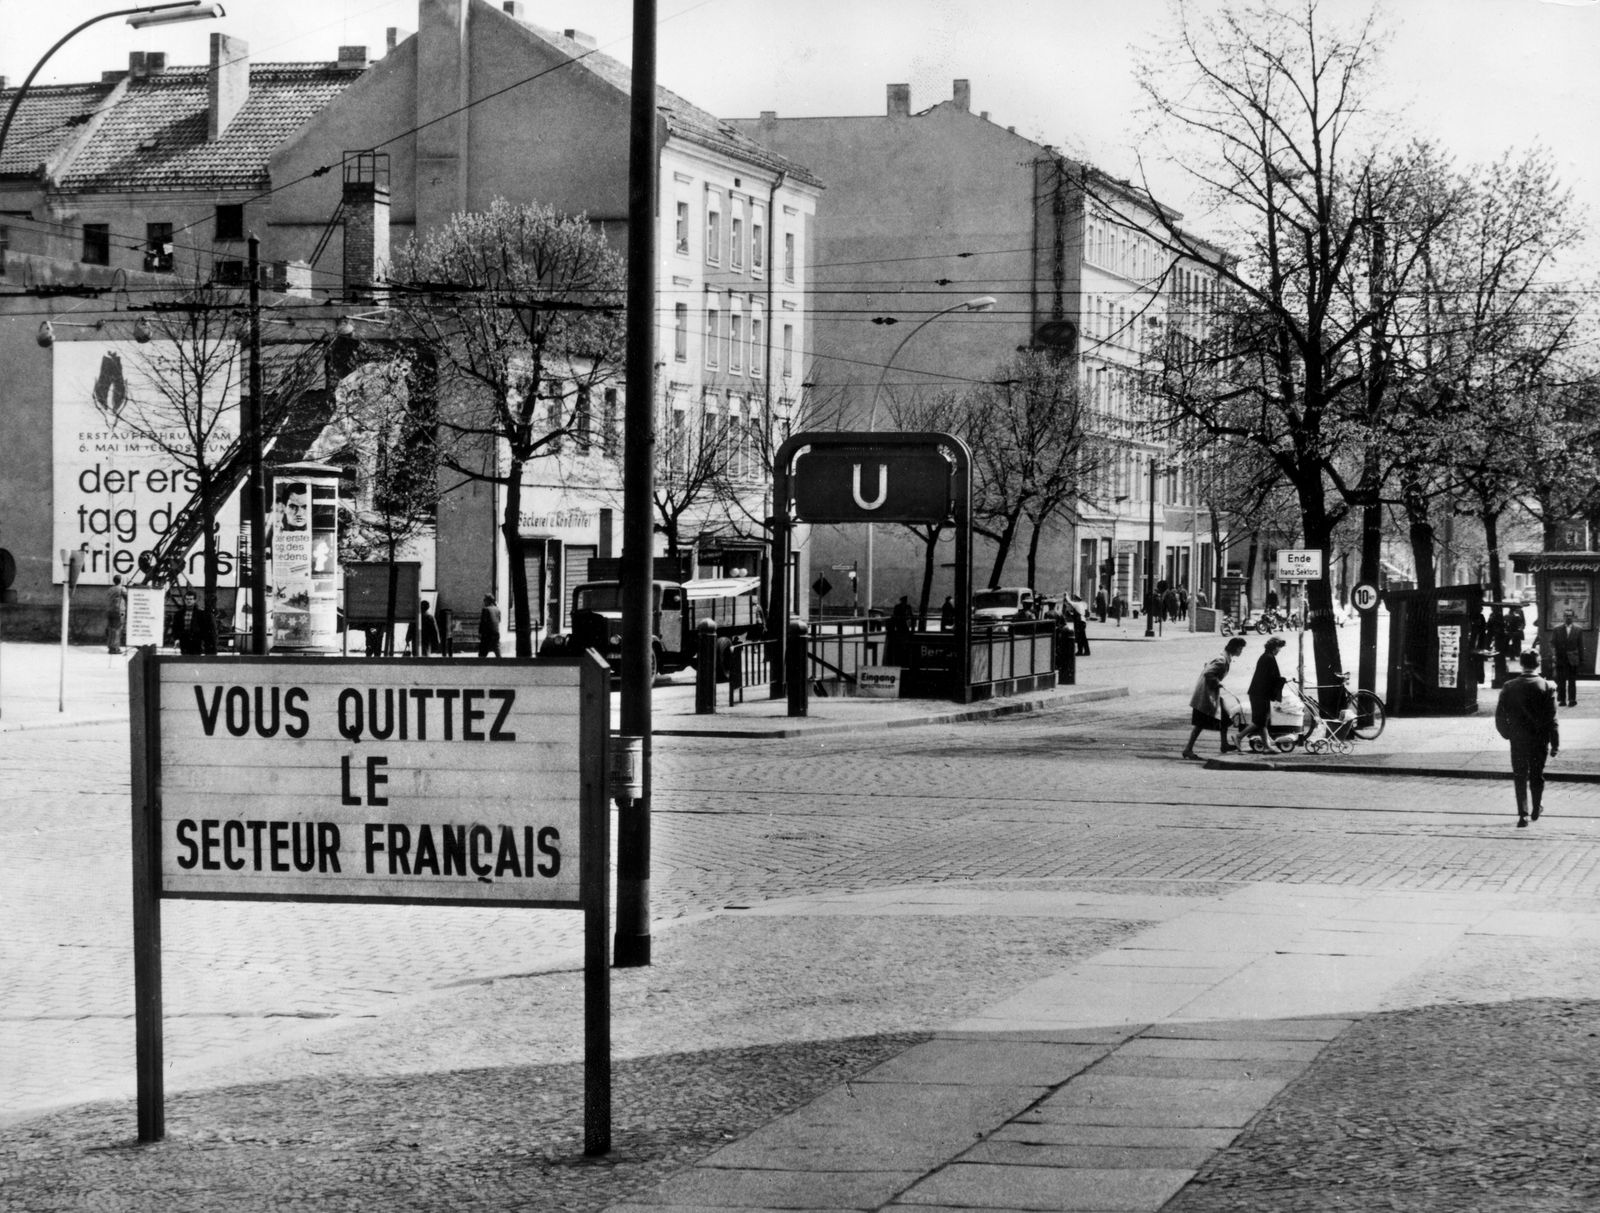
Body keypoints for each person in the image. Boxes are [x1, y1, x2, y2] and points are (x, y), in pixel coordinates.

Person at [1495, 649, 1559, 827]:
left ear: (1521, 664)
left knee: (1520, 775)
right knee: (1537, 775)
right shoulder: (1547, 686)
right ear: (1538, 664)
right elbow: (1552, 719)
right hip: (1540, 740)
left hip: (1518, 739)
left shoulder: (1509, 686)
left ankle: (1522, 814)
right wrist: (1555, 744)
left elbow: (1500, 716)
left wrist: (1507, 733)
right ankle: (1536, 807)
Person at [1183, 636, 1248, 759]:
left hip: (1211, 693)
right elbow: (1208, 673)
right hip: (1206, 695)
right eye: (1240, 648)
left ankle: (1224, 744)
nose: (1241, 651)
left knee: (1225, 718)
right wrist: (1217, 682)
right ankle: (1188, 749)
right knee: (1200, 723)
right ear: (1235, 648)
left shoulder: (1224, 658)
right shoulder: (1222, 660)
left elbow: (1207, 665)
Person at [1242, 636, 1288, 749]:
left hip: (1259, 693)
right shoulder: (1268, 658)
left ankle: (1267, 745)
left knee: (1263, 720)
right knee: (1260, 721)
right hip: (1260, 694)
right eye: (1279, 648)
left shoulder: (1266, 656)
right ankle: (1239, 736)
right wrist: (1282, 680)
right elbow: (1271, 677)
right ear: (1274, 647)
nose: (1279, 650)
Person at [1549, 609, 1583, 707]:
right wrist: (1554, 655)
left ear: (1573, 617)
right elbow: (1552, 643)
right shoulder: (1557, 629)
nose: (1568, 617)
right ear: (1563, 617)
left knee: (1572, 681)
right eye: (1566, 616)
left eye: (1570, 616)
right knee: (1561, 680)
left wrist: (1581, 660)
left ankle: (1572, 699)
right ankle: (1562, 700)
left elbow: (1580, 645)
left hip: (1573, 659)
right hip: (1561, 658)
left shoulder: (1578, 630)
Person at [170, 589, 216, 656]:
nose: (189, 601)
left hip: (196, 641)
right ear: (185, 600)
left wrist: (203, 640)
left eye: (191, 599)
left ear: (194, 600)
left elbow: (204, 628)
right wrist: (176, 639)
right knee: (185, 659)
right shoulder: (179, 614)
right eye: (187, 599)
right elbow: (175, 627)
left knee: (196, 660)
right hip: (184, 640)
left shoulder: (200, 614)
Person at [105, 574, 127, 653]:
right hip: (119, 612)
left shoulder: (110, 589)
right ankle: (115, 648)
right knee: (118, 628)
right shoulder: (122, 588)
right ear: (121, 581)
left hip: (110, 611)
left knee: (111, 629)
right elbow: (127, 597)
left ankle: (110, 647)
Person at [478, 593, 503, 658]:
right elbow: (499, 620)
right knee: (497, 649)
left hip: (487, 634)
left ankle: (480, 663)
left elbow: (483, 622)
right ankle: (501, 661)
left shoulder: (485, 609)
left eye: (484, 600)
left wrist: (480, 633)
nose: (484, 602)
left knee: (483, 651)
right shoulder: (497, 609)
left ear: (488, 601)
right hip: (496, 632)